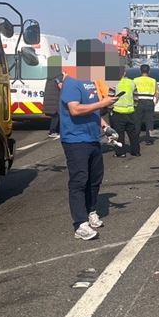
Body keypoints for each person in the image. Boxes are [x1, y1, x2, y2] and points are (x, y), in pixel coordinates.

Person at [59, 74, 117, 240]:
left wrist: (105, 127)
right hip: (75, 139)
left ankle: (91, 211)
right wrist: (103, 103)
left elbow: (92, 111)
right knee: (79, 180)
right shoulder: (71, 83)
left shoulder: (91, 83)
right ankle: (80, 224)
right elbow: (75, 109)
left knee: (95, 179)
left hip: (92, 138)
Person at [111, 70, 141, 158]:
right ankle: (136, 151)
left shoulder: (113, 83)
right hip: (130, 112)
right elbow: (136, 97)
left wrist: (110, 109)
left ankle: (121, 152)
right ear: (124, 73)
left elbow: (110, 97)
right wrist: (133, 107)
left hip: (118, 112)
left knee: (119, 134)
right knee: (133, 134)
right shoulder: (132, 83)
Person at [133, 63, 159, 146]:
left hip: (138, 102)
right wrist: (155, 101)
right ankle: (149, 140)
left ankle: (136, 138)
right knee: (149, 122)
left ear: (140, 71)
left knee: (137, 121)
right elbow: (157, 92)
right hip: (149, 102)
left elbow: (132, 91)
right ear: (149, 71)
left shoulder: (135, 80)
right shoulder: (153, 80)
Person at [43, 73, 63, 138]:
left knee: (56, 116)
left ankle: (55, 131)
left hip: (51, 100)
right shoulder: (59, 78)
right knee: (56, 116)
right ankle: (52, 132)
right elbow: (61, 86)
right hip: (55, 101)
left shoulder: (50, 79)